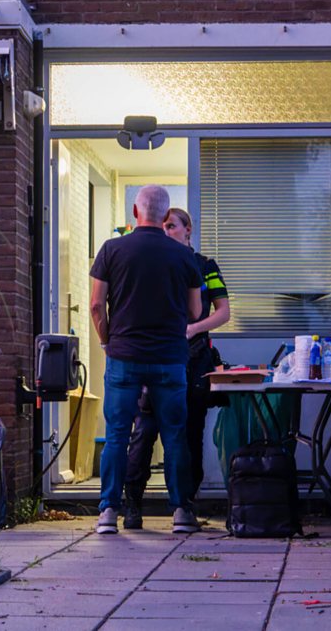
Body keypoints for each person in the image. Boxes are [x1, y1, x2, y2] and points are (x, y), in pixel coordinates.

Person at [89, 185, 204, 535]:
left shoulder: (112, 249)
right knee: (175, 436)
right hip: (170, 358)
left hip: (124, 356)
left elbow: (96, 305)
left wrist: (109, 343)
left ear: (136, 213)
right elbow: (196, 311)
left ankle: (109, 511)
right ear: (166, 217)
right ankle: (181, 511)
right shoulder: (184, 256)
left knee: (118, 434)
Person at [122, 207, 231, 529]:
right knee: (144, 433)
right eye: (163, 226)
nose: (167, 231)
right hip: (154, 360)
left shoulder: (205, 266)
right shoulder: (153, 262)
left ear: (188, 231)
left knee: (190, 436)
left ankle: (185, 507)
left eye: (172, 226)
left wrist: (194, 329)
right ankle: (132, 508)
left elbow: (223, 312)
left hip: (194, 360)